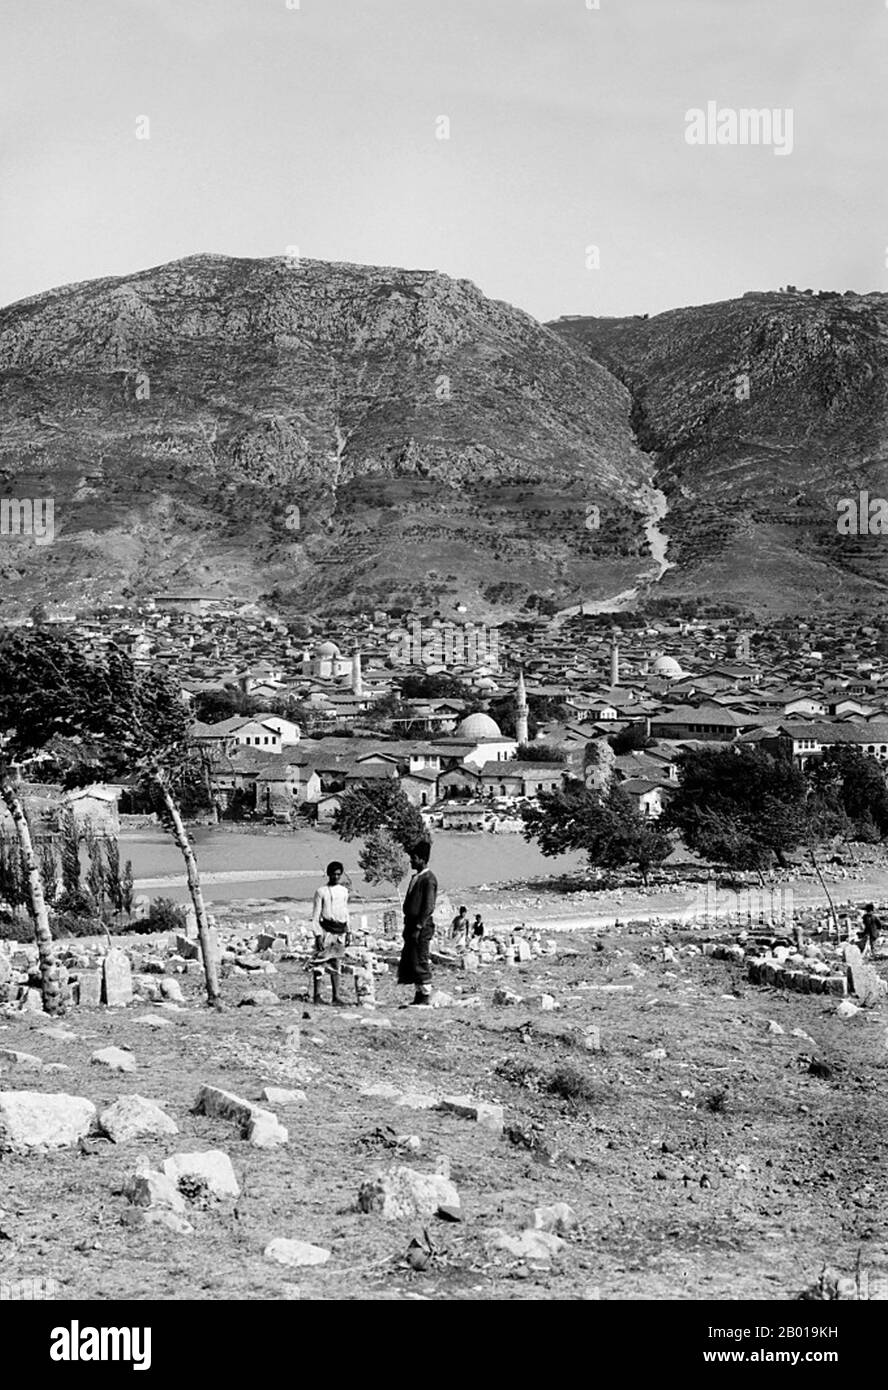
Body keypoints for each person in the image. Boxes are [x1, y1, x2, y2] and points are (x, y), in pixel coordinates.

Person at [398, 840, 437, 1005]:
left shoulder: (429, 879)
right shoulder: (416, 878)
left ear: (422, 859)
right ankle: (418, 994)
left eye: (414, 858)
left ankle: (425, 995)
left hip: (421, 926)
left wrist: (419, 926)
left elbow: (428, 907)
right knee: (412, 959)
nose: (411, 861)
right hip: (412, 924)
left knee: (420, 958)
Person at [309, 861, 350, 1005]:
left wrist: (348, 931)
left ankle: (336, 996)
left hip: (340, 931)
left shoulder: (344, 891)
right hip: (326, 931)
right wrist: (318, 935)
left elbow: (345, 911)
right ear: (328, 874)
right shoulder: (321, 892)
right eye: (334, 874)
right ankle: (317, 996)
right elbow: (315, 915)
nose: (336, 877)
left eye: (339, 874)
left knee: (336, 963)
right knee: (320, 963)